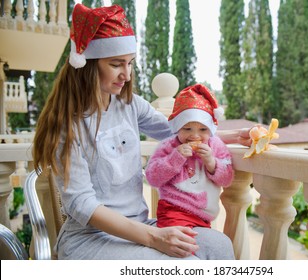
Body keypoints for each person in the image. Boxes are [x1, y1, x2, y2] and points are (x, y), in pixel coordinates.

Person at [32, 4, 252, 260]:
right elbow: (82, 204)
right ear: (89, 65)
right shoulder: (66, 126)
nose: (126, 75)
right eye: (116, 64)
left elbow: (176, 131)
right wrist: (155, 237)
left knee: (219, 245)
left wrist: (238, 135)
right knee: (187, 263)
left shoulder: (130, 105)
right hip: (90, 239)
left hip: (138, 226)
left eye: (130, 63)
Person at [145, 84, 234, 230]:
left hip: (203, 215)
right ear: (177, 128)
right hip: (173, 209)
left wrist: (212, 163)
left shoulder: (216, 146)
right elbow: (152, 177)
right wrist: (175, 158)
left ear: (211, 129)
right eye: (187, 129)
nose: (195, 135)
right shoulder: (168, 146)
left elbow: (227, 179)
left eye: (203, 129)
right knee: (183, 245)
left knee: (201, 247)